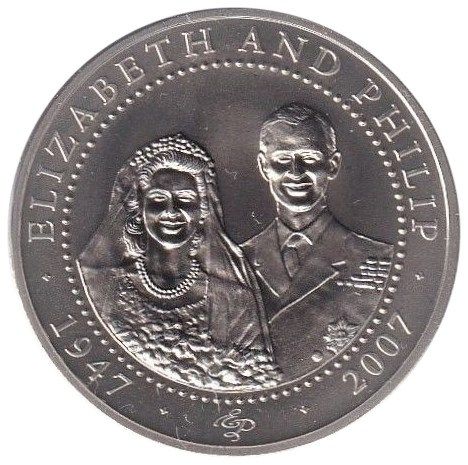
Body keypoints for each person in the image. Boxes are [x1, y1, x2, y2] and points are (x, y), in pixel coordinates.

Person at [78, 134, 281, 390]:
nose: (172, 211)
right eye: (158, 200)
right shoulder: (102, 285)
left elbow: (254, 383)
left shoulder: (234, 299)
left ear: (202, 212)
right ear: (138, 209)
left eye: (185, 200)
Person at [241, 104, 394, 380]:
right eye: (283, 159)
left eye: (309, 158)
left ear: (332, 165)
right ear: (264, 166)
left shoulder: (380, 261)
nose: (296, 172)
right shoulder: (236, 261)